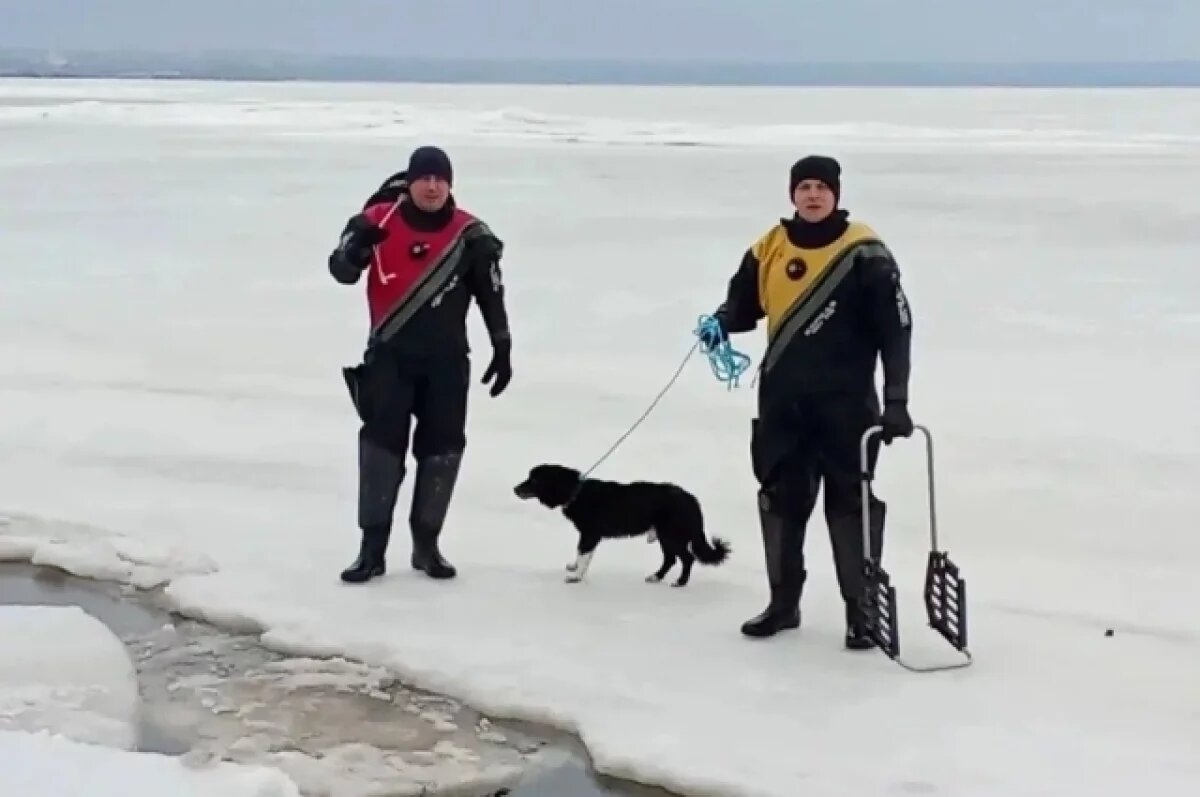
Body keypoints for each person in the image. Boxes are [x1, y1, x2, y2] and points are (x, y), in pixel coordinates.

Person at [699, 154, 915, 648]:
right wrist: (720, 323)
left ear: (836, 194)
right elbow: (743, 307)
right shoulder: (769, 247)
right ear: (792, 194)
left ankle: (861, 613)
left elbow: (896, 330)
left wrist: (896, 400)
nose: (812, 195)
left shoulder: (865, 252)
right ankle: (783, 604)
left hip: (847, 408)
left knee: (850, 506)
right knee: (781, 502)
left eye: (822, 187)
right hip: (783, 404)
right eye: (804, 187)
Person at [328, 145, 513, 584]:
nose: (432, 187)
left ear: (450, 184)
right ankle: (370, 551)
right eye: (424, 178)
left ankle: (426, 547)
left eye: (440, 179)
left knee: (442, 452)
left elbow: (491, 294)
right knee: (380, 452)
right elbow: (340, 271)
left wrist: (502, 346)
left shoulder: (471, 234)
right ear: (410, 182)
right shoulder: (374, 222)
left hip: (447, 364)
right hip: (389, 359)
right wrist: (356, 251)